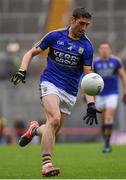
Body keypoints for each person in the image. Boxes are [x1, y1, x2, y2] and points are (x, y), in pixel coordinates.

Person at [11, 7, 100, 177]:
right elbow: (31, 53)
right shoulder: (54, 36)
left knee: (53, 130)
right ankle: (46, 165)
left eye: (87, 25)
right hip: (50, 82)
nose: (84, 28)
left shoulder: (87, 47)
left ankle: (34, 130)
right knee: (54, 119)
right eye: (81, 23)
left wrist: (91, 103)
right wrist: (22, 69)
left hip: (70, 91)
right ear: (72, 19)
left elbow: (88, 79)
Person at [93, 41, 126, 153]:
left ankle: (107, 143)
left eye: (106, 48)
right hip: (100, 95)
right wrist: (86, 94)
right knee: (103, 121)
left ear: (110, 50)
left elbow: (123, 77)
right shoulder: (96, 63)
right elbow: (89, 80)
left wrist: (125, 91)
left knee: (108, 117)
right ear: (99, 50)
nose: (104, 50)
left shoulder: (116, 61)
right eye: (102, 48)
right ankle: (106, 141)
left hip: (112, 94)